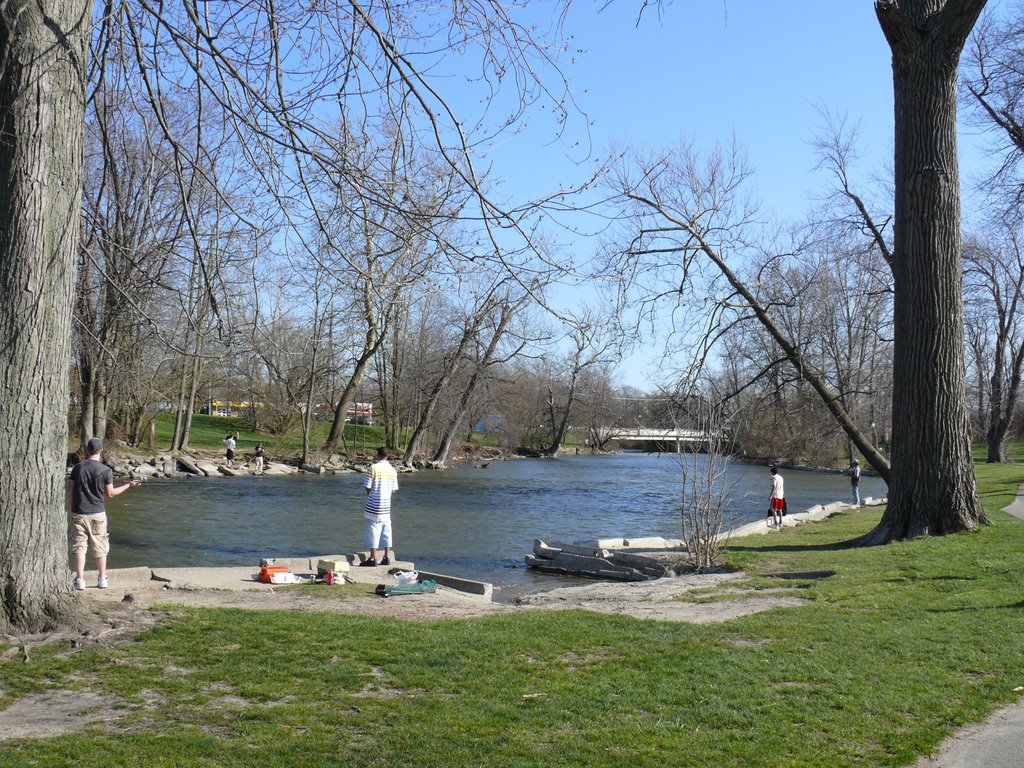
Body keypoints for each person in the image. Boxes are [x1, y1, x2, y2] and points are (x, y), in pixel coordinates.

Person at [67, 437, 143, 590]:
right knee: (100, 546)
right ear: (101, 450)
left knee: (79, 546)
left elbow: (70, 491)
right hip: (97, 513)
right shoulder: (105, 470)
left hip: (79, 513)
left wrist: (71, 508)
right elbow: (111, 493)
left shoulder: (78, 468)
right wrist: (129, 485)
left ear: (87, 450)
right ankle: (102, 578)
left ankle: (80, 579)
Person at [361, 446, 399, 567]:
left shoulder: (373, 468)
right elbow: (394, 490)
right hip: (386, 507)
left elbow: (368, 486)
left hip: (374, 505)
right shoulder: (393, 470)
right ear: (388, 456)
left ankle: (373, 558)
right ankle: (386, 557)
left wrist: (371, 495)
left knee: (373, 531)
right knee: (387, 532)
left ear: (378, 455)